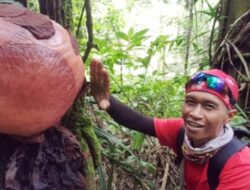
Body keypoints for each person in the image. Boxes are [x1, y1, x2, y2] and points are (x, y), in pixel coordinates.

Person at [90, 58, 250, 190]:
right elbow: (137, 121)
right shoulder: (182, 131)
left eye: (209, 106)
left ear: (229, 117)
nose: (195, 113)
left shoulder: (241, 166)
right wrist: (107, 101)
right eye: (190, 102)